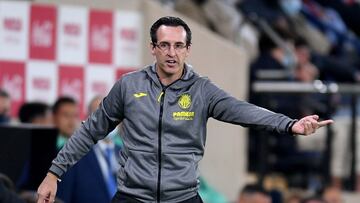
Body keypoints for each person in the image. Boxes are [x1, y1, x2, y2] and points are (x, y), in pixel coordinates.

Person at [37, 16, 333, 203]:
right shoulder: (129, 86)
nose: (171, 53)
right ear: (152, 48)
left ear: (188, 49)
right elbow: (90, 131)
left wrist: (289, 124)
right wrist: (54, 173)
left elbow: (243, 111)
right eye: (164, 45)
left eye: (178, 46)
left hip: (183, 198)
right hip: (132, 198)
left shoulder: (202, 90)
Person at [55, 95, 120, 203]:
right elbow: (62, 198)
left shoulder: (127, 154)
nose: (108, 119)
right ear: (89, 119)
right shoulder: (73, 153)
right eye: (100, 114)